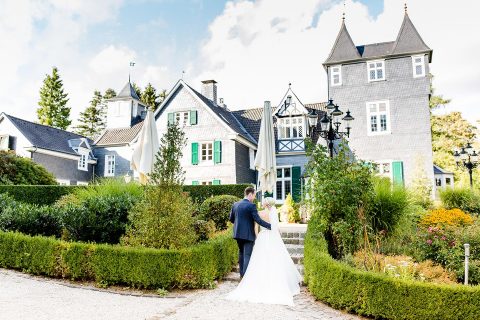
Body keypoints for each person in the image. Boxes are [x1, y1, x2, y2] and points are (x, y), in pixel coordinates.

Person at [226, 197, 302, 306]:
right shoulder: (274, 213)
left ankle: (249, 279)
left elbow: (256, 228)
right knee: (274, 259)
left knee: (259, 260)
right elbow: (276, 228)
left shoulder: (259, 213)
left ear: (265, 204)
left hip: (262, 237)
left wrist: (257, 238)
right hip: (272, 237)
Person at [229, 187, 271, 278]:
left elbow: (231, 219)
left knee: (241, 253)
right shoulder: (251, 206)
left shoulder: (235, 204)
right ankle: (245, 278)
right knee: (247, 254)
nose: (254, 197)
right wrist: (271, 226)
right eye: (254, 195)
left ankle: (241, 275)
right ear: (250, 194)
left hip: (237, 233)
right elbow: (258, 220)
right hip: (248, 234)